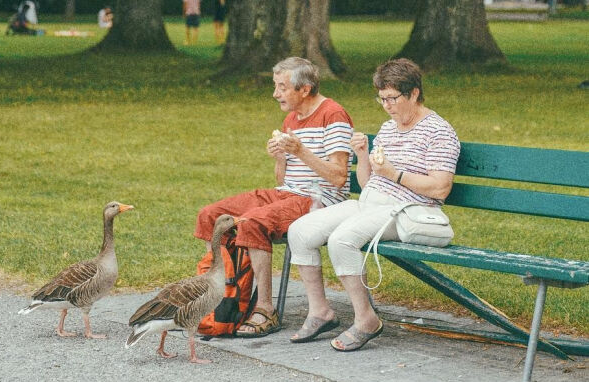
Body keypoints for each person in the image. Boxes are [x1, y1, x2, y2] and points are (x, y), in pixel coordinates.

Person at [287, 58, 460, 350]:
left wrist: (396, 174)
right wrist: (363, 155)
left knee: (342, 239)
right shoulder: (388, 128)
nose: (387, 106)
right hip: (370, 202)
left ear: (414, 93)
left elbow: (440, 188)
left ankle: (366, 319)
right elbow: (369, 183)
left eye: (392, 98)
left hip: (406, 208)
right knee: (300, 231)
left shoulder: (438, 131)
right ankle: (320, 311)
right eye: (381, 99)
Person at [194, 57, 354, 337]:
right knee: (212, 215)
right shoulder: (292, 117)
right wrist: (281, 157)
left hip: (321, 200)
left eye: (281, 87)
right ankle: (221, 299)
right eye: (275, 86)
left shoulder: (333, 114)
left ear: (304, 89)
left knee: (252, 222)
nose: (275, 93)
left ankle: (265, 309)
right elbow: (283, 181)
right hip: (287, 194)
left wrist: (301, 150)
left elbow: (339, 177)